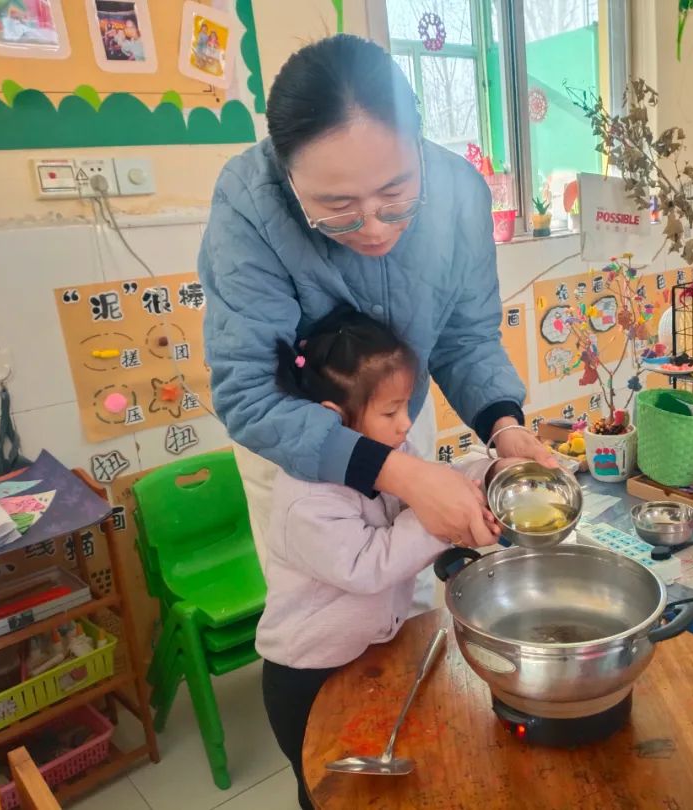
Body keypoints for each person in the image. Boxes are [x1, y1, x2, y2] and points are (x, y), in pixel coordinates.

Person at [198, 35, 553, 570]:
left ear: (418, 143)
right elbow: (250, 394)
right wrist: (401, 475)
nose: (373, 228)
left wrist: (505, 427)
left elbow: (465, 338)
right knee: (326, 621)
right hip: (296, 446)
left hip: (397, 423)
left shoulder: (458, 191)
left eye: (397, 194)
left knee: (407, 601)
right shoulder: (249, 204)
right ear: (288, 174)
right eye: (338, 208)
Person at [257, 307, 504, 809]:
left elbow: (427, 483)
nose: (406, 424)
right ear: (332, 418)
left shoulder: (393, 448)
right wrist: (441, 517)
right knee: (328, 791)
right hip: (308, 674)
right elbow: (367, 566)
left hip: (374, 654)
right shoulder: (307, 496)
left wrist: (486, 474)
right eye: (390, 412)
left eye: (407, 407)